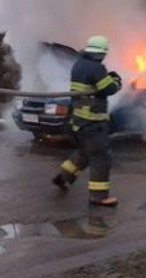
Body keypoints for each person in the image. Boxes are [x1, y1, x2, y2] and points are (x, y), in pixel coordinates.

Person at [52, 35, 123, 207]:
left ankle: (63, 177)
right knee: (101, 157)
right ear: (101, 53)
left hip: (79, 119)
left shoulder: (78, 65)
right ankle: (99, 196)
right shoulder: (96, 68)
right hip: (93, 122)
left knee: (84, 152)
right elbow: (109, 89)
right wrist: (116, 81)